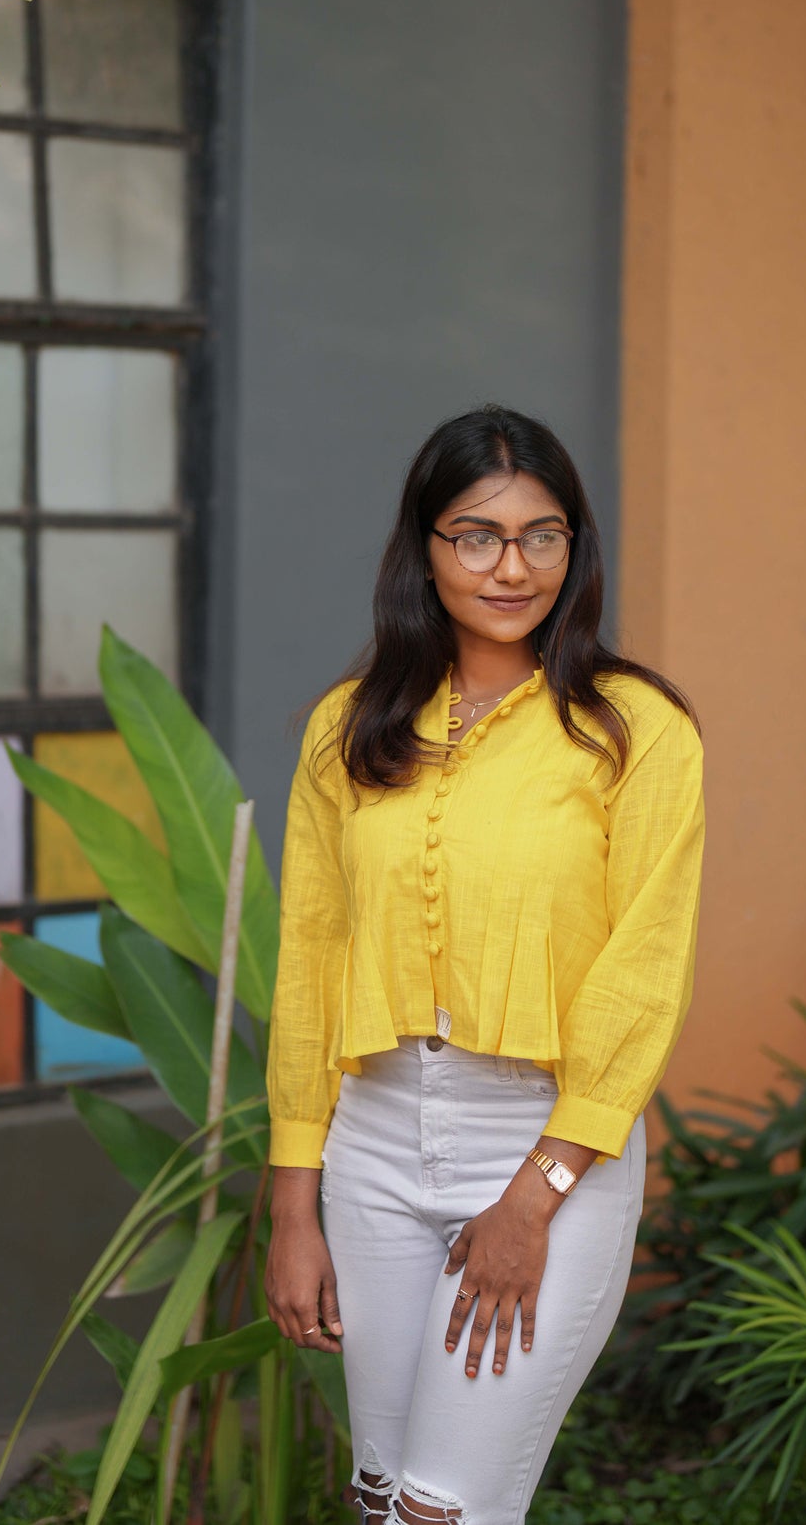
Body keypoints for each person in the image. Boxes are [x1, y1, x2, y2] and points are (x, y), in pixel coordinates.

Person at [263, 405, 706, 1525]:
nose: (510, 566)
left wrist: (533, 1196)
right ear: (423, 548)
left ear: (573, 547)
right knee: (377, 1500)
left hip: (545, 1144)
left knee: (441, 1511)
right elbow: (308, 964)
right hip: (369, 1140)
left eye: (539, 535)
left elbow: (642, 971)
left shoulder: (634, 730)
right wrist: (290, 1208)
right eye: (474, 535)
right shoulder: (344, 731)